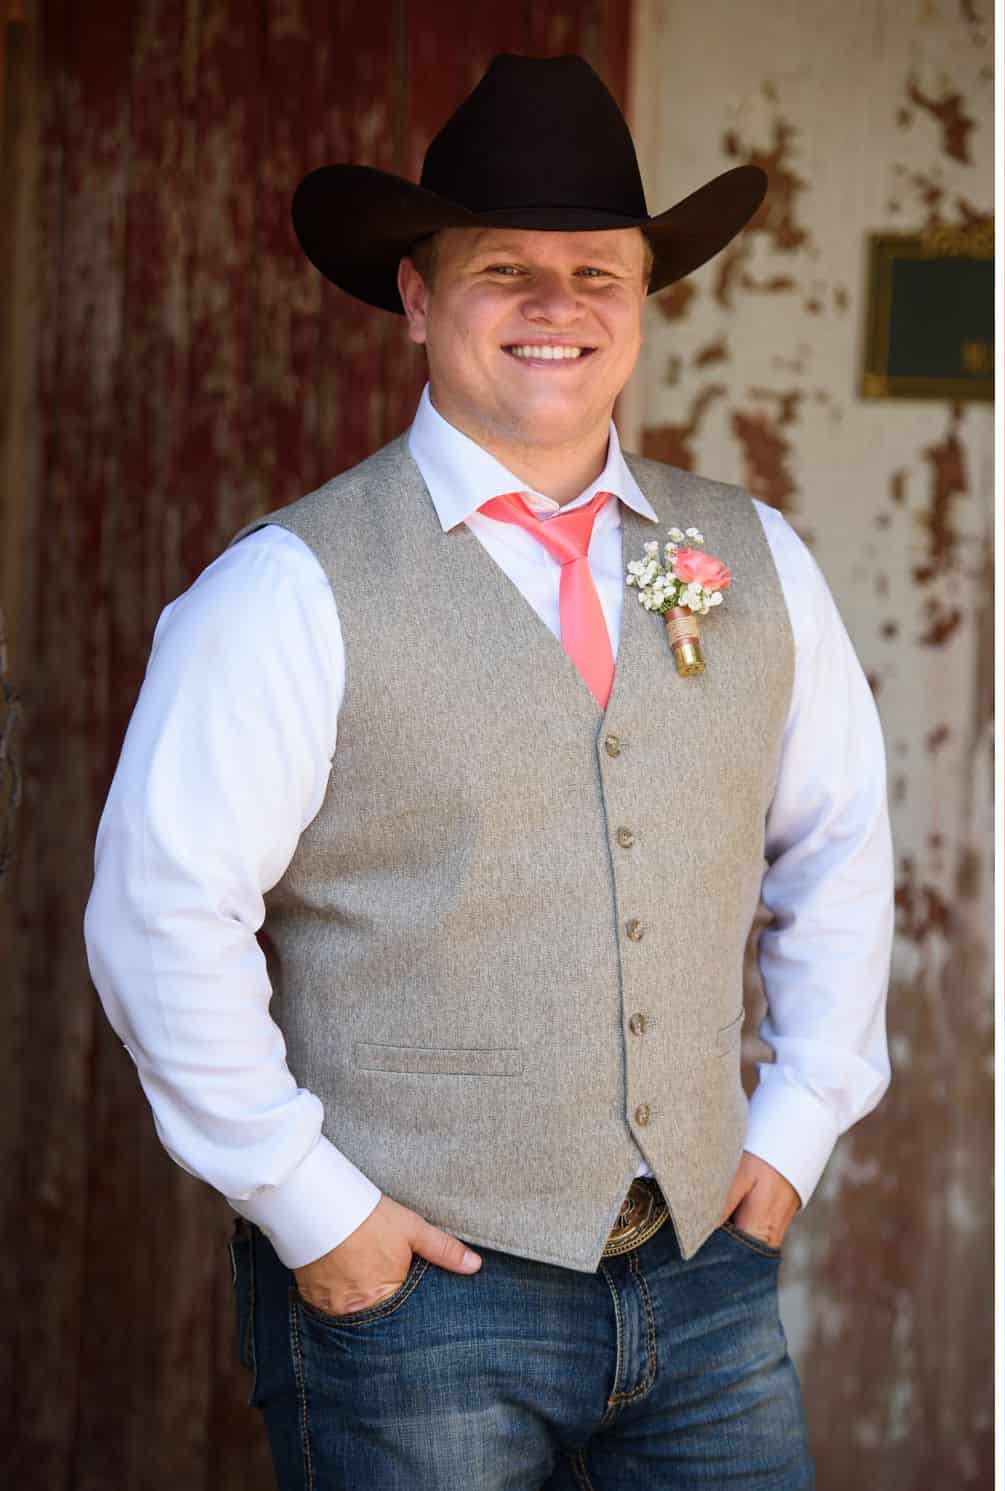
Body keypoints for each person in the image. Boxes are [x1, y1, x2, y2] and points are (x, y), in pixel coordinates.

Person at [84, 53, 891, 1489]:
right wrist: (312, 1207)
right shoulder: (289, 589)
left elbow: (838, 845)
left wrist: (804, 1114)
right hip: (422, 1304)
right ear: (415, 296)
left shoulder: (750, 560)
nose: (556, 307)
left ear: (642, 297)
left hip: (706, 1283)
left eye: (598, 271)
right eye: (505, 269)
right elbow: (160, 913)